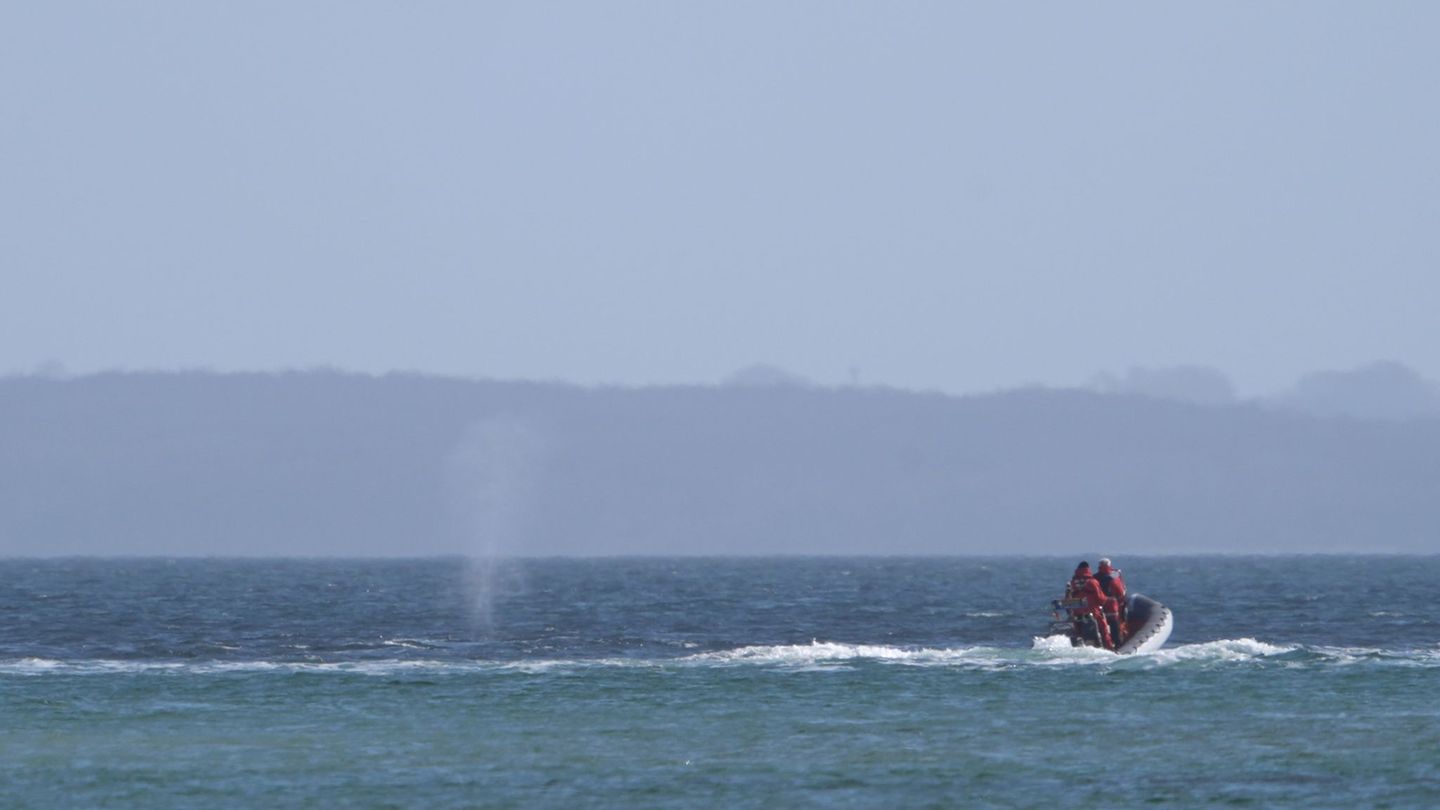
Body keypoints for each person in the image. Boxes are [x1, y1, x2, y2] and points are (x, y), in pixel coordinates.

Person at [1066, 561, 1113, 649]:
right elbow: (1100, 599)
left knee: (1078, 633)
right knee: (1104, 630)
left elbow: (1068, 600)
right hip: (1093, 613)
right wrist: (1107, 600)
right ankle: (1109, 648)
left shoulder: (1072, 583)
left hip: (1077, 615)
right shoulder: (1092, 582)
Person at [1095, 558, 1128, 644]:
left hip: (1096, 606)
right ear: (1109, 565)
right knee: (1114, 624)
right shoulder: (1113, 578)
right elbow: (1121, 593)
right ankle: (1118, 643)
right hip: (1111, 606)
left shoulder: (1094, 577)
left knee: (1101, 625)